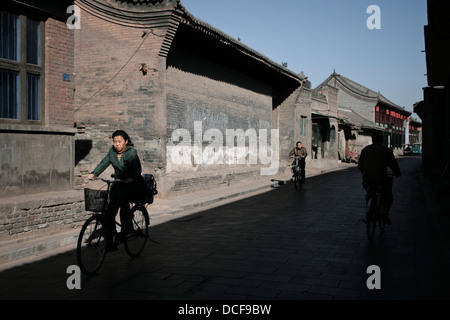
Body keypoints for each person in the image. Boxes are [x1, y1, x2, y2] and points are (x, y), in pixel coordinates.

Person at [87, 130, 149, 252]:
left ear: (125, 142)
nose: (117, 144)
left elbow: (137, 168)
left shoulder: (131, 152)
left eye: (119, 141)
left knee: (121, 206)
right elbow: (104, 162)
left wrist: (133, 178)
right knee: (109, 214)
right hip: (119, 184)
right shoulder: (112, 152)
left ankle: (127, 229)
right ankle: (111, 240)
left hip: (132, 185)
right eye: (115, 141)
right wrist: (94, 173)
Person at [358, 131, 401, 225]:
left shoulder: (365, 149)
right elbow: (393, 165)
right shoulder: (386, 150)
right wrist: (397, 173)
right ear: (382, 140)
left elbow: (360, 165)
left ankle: (369, 210)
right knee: (388, 196)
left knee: (370, 193)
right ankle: (384, 212)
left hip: (367, 180)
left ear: (372, 140)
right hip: (381, 180)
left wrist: (365, 172)